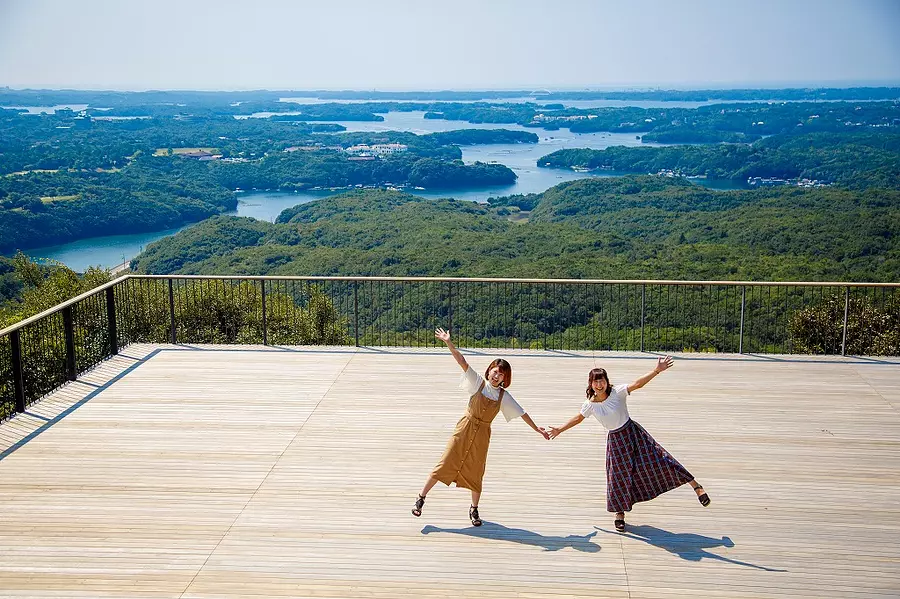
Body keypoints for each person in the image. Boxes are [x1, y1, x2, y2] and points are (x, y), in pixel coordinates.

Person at [548, 357, 709, 532]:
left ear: (607, 381)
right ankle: (620, 514)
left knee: (661, 459)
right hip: (615, 442)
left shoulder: (617, 392)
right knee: (617, 478)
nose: (599, 384)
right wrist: (559, 429)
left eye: (602, 380)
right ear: (591, 384)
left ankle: (696, 487)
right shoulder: (590, 405)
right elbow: (578, 418)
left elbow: (637, 384)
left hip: (633, 433)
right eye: (596, 381)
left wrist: (657, 370)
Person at [412, 327, 550, 526]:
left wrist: (537, 429)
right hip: (465, 427)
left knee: (476, 471)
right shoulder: (478, 383)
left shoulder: (504, 396)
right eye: (495, 372)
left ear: (505, 378)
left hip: (482, 434)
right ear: (489, 371)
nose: (496, 376)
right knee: (445, 462)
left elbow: (522, 413)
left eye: (501, 375)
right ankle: (421, 498)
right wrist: (448, 342)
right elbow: (462, 362)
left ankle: (474, 509)